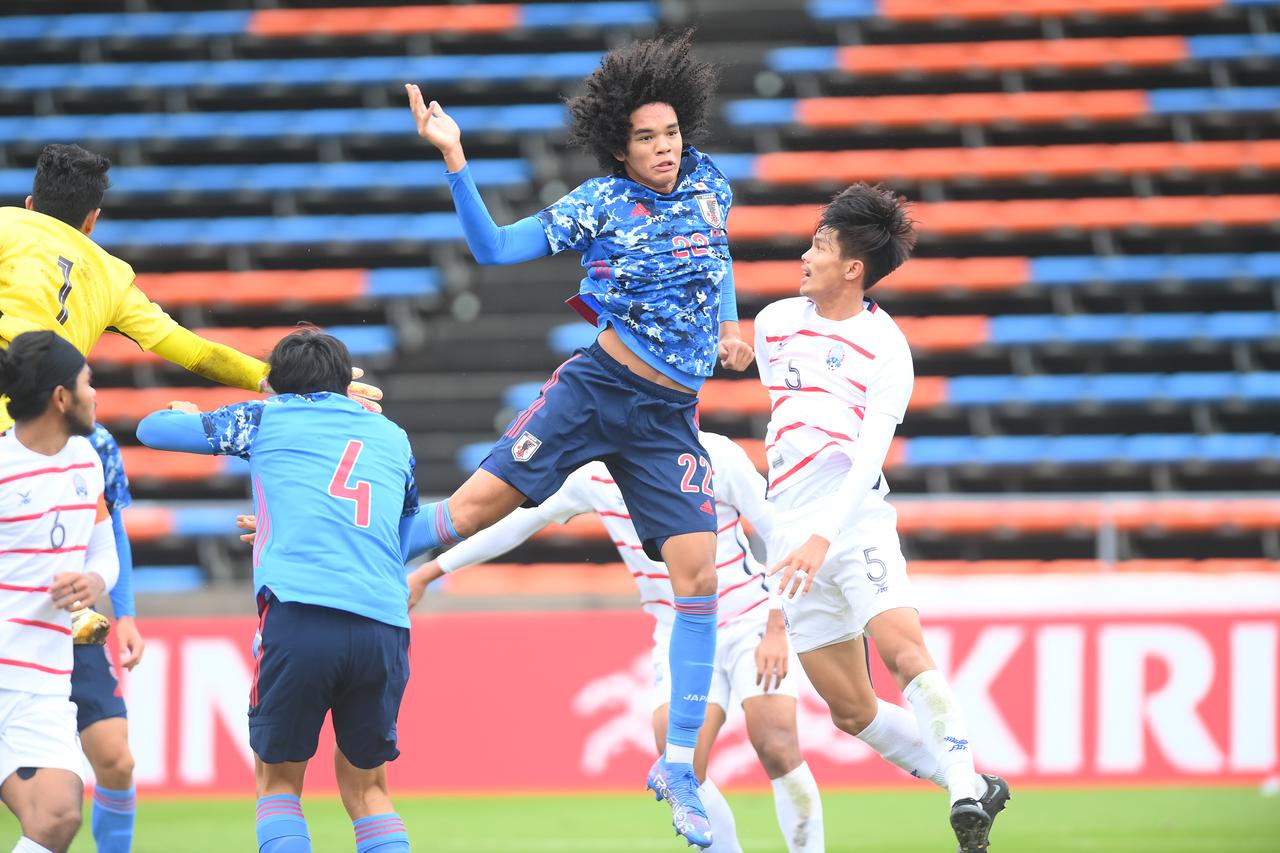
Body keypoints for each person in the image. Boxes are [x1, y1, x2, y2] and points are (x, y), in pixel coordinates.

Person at [403, 32, 753, 846]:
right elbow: (493, 250)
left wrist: (729, 322)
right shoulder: (597, 204)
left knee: (697, 573)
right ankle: (351, 538)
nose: (664, 148)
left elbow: (722, 252)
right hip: (596, 392)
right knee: (468, 513)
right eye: (646, 138)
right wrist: (455, 157)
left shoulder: (710, 183)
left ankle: (677, 765)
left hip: (668, 419)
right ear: (619, 146)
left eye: (671, 132)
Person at [408, 432, 823, 853]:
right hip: (677, 629)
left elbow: (778, 534)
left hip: (748, 617)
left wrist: (776, 625)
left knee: (776, 745)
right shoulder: (592, 474)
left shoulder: (714, 453)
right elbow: (516, 524)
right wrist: (431, 570)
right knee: (681, 767)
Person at [754, 185, 1010, 853]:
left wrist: (822, 535)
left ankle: (959, 790)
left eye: (819, 245)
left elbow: (868, 458)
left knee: (902, 648)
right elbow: (785, 419)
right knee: (850, 710)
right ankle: (975, 782)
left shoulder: (888, 349)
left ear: (853, 269)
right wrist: (796, 535)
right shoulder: (775, 322)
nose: (804, 254)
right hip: (789, 537)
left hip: (853, 522)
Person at [135, 330, 421, 853]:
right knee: (369, 789)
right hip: (384, 624)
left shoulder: (266, 417)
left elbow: (151, 430)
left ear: (275, 384)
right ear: (345, 381)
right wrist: (284, 521)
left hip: (302, 615)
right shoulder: (394, 436)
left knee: (279, 783)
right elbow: (402, 531)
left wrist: (181, 408)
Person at [0, 142, 383, 437]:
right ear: (92, 221)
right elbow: (198, 354)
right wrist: (287, 380)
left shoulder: (7, 223)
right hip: (38, 431)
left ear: (30, 204)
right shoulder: (114, 279)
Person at [0, 331, 120, 853]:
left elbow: (104, 555)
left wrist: (93, 581)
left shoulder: (87, 460)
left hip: (44, 680)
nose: (95, 394)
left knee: (56, 817)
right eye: (87, 382)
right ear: (61, 396)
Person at [68, 426, 142, 853]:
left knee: (117, 761)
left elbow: (112, 527)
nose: (92, 392)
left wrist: (126, 615)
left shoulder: (97, 444)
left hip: (72, 626)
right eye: (84, 380)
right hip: (14, 629)